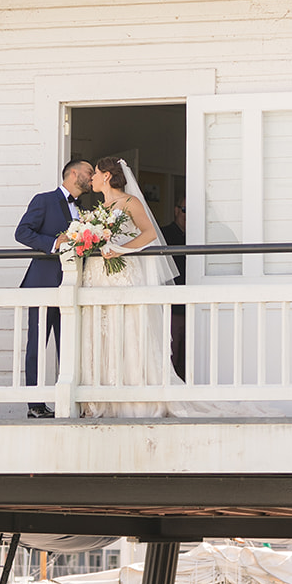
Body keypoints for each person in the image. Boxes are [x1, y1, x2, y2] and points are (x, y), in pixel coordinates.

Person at [79, 156, 180, 419]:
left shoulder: (130, 202)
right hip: (99, 276)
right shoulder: (101, 206)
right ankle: (103, 397)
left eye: (96, 173)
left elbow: (149, 233)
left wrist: (120, 250)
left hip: (122, 273)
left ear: (108, 176)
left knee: (127, 328)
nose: (92, 178)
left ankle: (136, 396)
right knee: (103, 329)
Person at [16, 157, 93, 418]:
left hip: (72, 287)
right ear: (72, 173)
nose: (91, 176)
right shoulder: (44, 200)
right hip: (44, 284)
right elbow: (22, 232)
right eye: (88, 171)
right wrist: (54, 243)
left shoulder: (83, 210)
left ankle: (66, 402)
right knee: (37, 346)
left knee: (68, 345)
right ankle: (35, 405)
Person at [159, 196, 186, 378]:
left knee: (192, 356)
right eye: (184, 210)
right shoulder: (165, 234)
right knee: (172, 353)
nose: (188, 215)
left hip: (198, 304)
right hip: (173, 306)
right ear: (176, 210)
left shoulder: (202, 234)